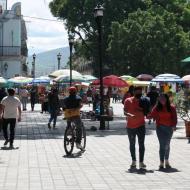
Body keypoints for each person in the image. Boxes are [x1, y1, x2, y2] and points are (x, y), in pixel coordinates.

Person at [147, 93, 177, 170]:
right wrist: (147, 115)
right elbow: (152, 115)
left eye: (163, 98)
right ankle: (161, 162)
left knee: (167, 144)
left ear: (166, 99)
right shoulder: (157, 107)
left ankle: (166, 161)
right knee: (162, 144)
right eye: (160, 99)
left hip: (169, 128)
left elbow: (174, 118)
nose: (162, 100)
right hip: (160, 128)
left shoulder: (172, 108)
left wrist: (174, 126)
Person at [124, 87, 146, 169]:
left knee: (141, 144)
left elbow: (148, 110)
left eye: (140, 92)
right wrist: (130, 115)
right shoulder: (128, 100)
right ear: (134, 92)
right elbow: (125, 112)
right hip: (130, 126)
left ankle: (141, 162)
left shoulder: (143, 101)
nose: (139, 94)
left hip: (141, 125)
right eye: (137, 92)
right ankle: (133, 161)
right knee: (132, 144)